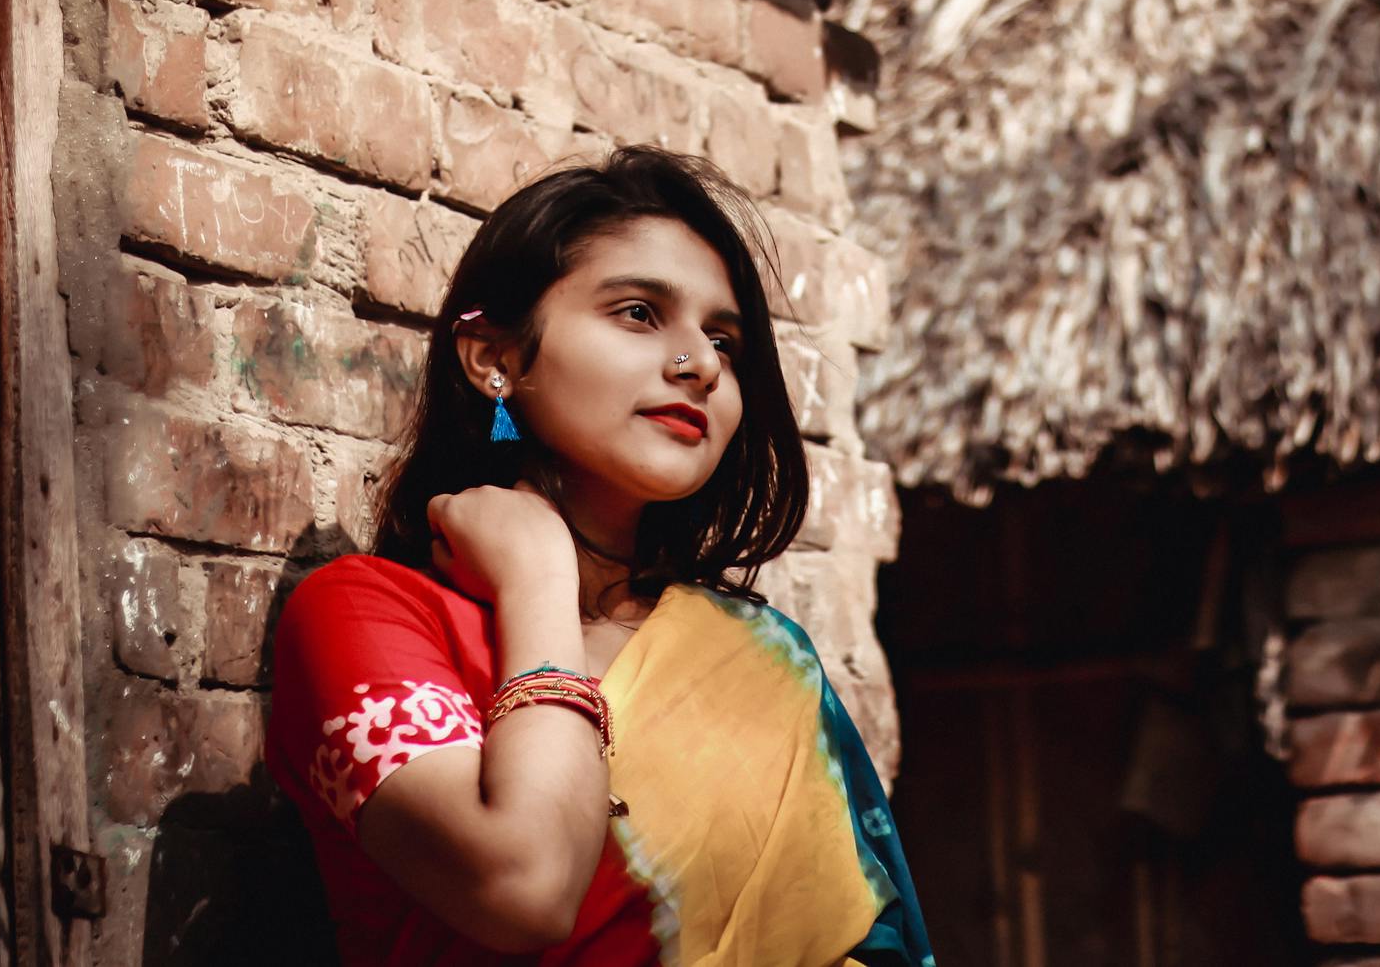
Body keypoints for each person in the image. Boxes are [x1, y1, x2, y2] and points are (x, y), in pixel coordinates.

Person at [267, 147, 934, 966]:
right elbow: (526, 890)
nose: (700, 365)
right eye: (639, 314)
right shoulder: (364, 614)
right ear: (497, 361)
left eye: (724, 338)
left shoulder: (762, 660)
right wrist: (539, 576)